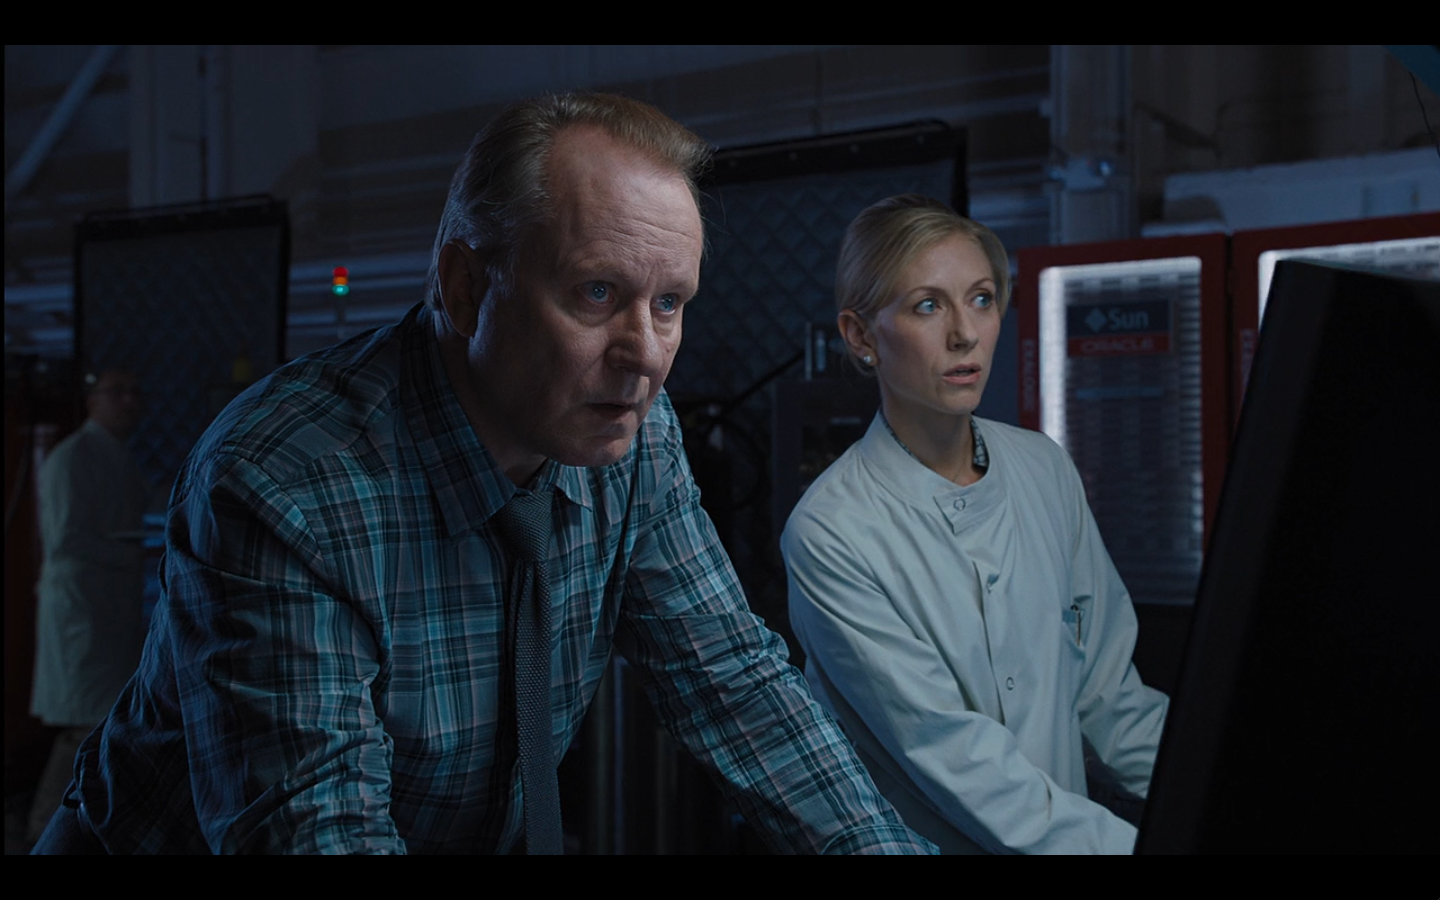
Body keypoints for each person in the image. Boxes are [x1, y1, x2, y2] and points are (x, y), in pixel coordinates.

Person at [33, 93, 932, 855]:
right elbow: (320, 830)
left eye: (669, 303)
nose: (646, 356)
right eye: (596, 293)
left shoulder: (635, 439)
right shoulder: (287, 482)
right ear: (465, 288)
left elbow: (736, 685)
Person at [782, 195, 1169, 854]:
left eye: (982, 299)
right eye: (927, 306)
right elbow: (958, 760)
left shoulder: (1044, 468)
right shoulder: (832, 532)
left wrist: (1224, 801)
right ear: (861, 336)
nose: (965, 334)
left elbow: (1110, 700)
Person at [28, 370, 147, 843]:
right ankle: (42, 829)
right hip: (82, 612)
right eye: (117, 392)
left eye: (134, 392)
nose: (129, 401)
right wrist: (133, 552)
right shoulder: (72, 457)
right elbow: (66, 540)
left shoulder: (116, 456)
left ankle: (65, 831)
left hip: (107, 611)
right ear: (91, 400)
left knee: (96, 721)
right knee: (84, 725)